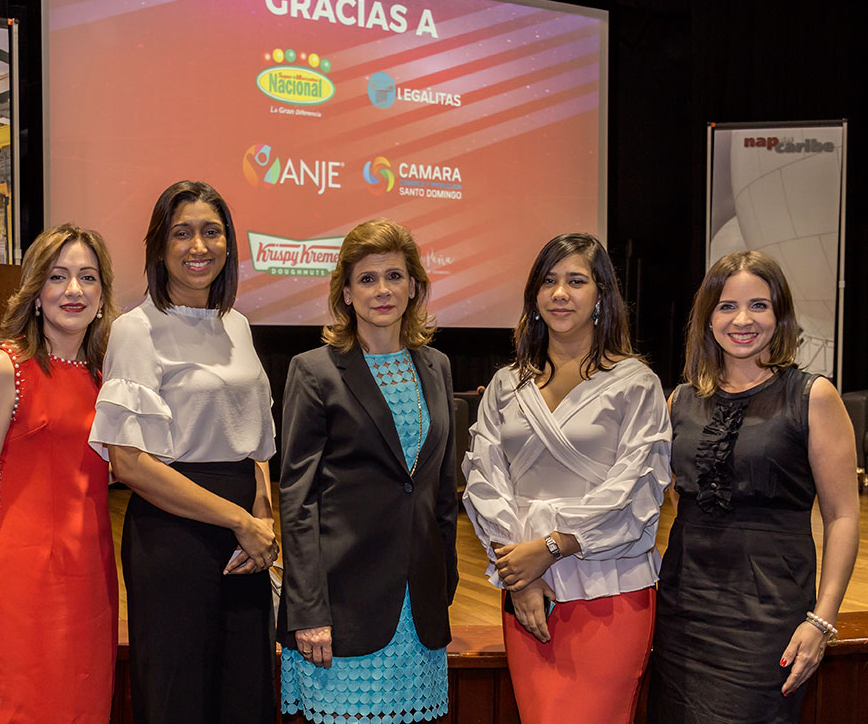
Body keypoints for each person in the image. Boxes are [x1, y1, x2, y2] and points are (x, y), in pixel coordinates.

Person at [462, 232, 671, 724]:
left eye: (576, 281)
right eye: (549, 281)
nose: (560, 293)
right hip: (526, 592)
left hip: (610, 592)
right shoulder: (506, 384)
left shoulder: (636, 383)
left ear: (601, 295)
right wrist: (519, 575)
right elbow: (484, 480)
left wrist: (551, 547)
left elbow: (637, 489)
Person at [88, 180, 277, 723]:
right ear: (159, 246)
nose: (199, 246)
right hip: (174, 534)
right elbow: (129, 462)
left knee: (245, 694)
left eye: (212, 232)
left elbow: (255, 440)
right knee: (178, 697)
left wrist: (262, 516)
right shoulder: (135, 329)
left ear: (229, 244)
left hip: (246, 536)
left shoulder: (237, 324)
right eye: (182, 233)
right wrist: (240, 520)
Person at [647, 251, 859, 723]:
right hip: (683, 613)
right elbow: (676, 497)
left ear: (780, 315)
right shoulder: (680, 400)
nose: (742, 320)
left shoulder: (813, 396)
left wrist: (822, 620)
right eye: (727, 306)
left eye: (758, 305)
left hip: (768, 617)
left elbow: (843, 516)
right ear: (708, 318)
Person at [278, 219, 459, 724]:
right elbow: (298, 499)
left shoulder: (438, 367)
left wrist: (443, 585)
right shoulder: (314, 370)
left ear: (414, 286)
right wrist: (308, 610)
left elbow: (442, 490)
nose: (382, 290)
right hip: (341, 608)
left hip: (418, 610)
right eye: (367, 278)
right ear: (346, 293)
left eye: (394, 276)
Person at [0, 224, 119, 722]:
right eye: (57, 276)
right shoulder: (6, 365)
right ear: (35, 290)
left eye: (87, 277)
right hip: (25, 579)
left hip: (92, 576)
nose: (74, 290)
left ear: (102, 293)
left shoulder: (107, 374)